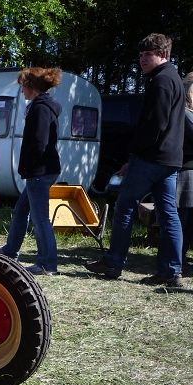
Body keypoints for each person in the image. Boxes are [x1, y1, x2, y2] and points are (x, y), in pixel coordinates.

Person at [85, 33, 185, 287]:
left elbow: (155, 125)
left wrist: (134, 153)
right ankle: (171, 271)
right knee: (168, 215)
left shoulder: (162, 81)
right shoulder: (173, 78)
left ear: (163, 54)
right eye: (140, 55)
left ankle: (114, 261)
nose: (142, 59)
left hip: (152, 158)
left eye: (148, 54)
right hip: (170, 160)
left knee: (125, 206)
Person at [0, 67, 63, 276]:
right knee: (21, 210)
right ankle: (10, 250)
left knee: (40, 219)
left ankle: (47, 264)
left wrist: (26, 165)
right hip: (42, 170)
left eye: (23, 86)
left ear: (31, 86)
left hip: (39, 171)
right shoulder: (43, 106)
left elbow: (39, 142)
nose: (22, 90)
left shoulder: (40, 108)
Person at [177, 72, 193, 273]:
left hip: (189, 170)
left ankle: (179, 258)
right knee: (181, 217)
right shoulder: (185, 112)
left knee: (188, 219)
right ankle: (175, 258)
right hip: (185, 171)